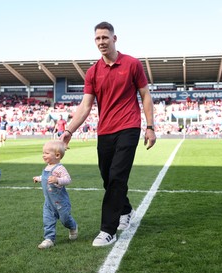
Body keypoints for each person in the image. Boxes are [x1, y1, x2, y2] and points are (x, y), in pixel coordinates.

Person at [60, 21, 156, 247]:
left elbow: (145, 95)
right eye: (97, 38)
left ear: (115, 38)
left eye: (105, 37)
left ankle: (107, 230)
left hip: (129, 127)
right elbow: (85, 106)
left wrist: (150, 127)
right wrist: (68, 131)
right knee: (107, 177)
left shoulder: (132, 64)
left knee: (117, 177)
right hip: (104, 131)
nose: (101, 42)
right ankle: (125, 210)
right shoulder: (93, 72)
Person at [33, 140, 78, 249]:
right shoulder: (47, 167)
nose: (43, 155)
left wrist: (57, 180)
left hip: (61, 202)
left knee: (65, 219)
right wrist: (39, 178)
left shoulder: (59, 168)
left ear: (57, 155)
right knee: (48, 220)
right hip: (49, 202)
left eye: (47, 153)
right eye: (43, 153)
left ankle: (73, 227)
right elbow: (45, 178)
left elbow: (68, 179)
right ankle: (49, 239)